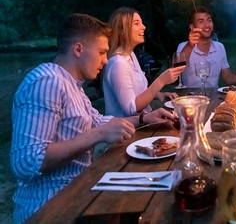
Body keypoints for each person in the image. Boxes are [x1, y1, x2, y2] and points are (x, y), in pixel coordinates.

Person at [10, 14, 175, 223]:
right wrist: (97, 135)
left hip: (79, 191)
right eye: (102, 52)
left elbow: (98, 121)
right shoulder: (47, 81)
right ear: (78, 49)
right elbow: (27, 161)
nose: (106, 60)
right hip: (51, 208)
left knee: (165, 184)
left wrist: (145, 118)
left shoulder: (72, 84)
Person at [103, 7, 185, 117]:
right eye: (137, 24)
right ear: (122, 30)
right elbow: (131, 109)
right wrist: (161, 80)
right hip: (130, 131)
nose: (144, 27)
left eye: (142, 23)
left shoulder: (131, 55)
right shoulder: (118, 64)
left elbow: (137, 92)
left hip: (144, 123)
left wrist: (159, 94)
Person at [177, 6, 236, 88]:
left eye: (209, 20)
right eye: (201, 22)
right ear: (192, 27)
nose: (207, 25)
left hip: (214, 97)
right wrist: (190, 45)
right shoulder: (183, 46)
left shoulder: (219, 47)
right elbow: (177, 69)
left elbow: (227, 77)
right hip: (190, 98)